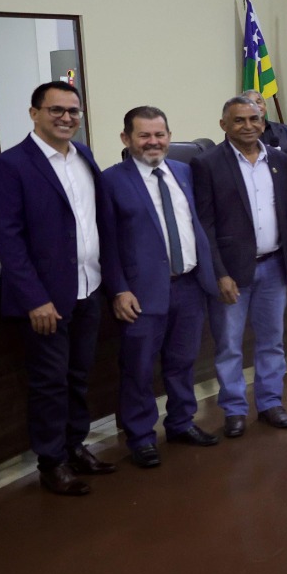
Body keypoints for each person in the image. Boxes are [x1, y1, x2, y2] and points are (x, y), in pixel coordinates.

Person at [0, 81, 115, 495]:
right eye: (56, 110)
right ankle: (51, 462)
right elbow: (9, 241)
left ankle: (75, 447)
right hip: (46, 300)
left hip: (88, 288)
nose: (66, 118)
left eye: (73, 111)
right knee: (49, 384)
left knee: (78, 376)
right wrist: (34, 299)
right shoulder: (9, 165)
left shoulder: (84, 157)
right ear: (34, 113)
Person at [99, 106, 220, 467]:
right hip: (140, 292)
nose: (153, 142)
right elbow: (106, 242)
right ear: (126, 139)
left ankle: (182, 422)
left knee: (182, 362)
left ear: (169, 136)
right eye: (144, 135)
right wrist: (118, 289)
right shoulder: (111, 181)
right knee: (138, 368)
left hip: (188, 287)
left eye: (160, 134)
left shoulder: (183, 172)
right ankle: (140, 437)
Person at [192, 96, 287, 437]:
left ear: (263, 121)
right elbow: (204, 224)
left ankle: (270, 402)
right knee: (229, 345)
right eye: (239, 120)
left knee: (272, 341)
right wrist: (219, 272)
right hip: (232, 273)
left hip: (273, 266)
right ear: (223, 125)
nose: (248, 126)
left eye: (254, 119)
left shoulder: (281, 161)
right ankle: (234, 409)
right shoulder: (207, 164)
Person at [241, 88, 287, 161]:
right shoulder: (241, 133)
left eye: (258, 102)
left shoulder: (284, 129)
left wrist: (283, 166)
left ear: (264, 104)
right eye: (251, 103)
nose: (256, 106)